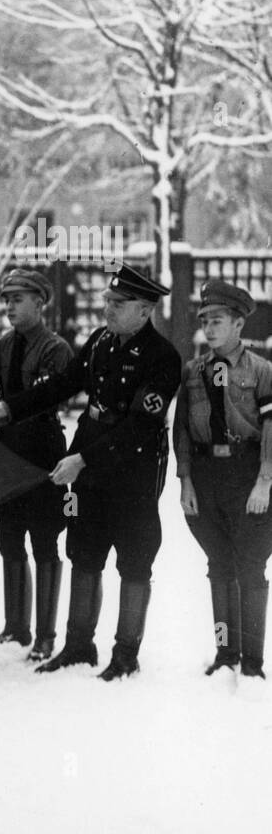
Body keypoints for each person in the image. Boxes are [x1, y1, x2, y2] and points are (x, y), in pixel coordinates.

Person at [0, 264, 182, 680]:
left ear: (144, 311)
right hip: (89, 457)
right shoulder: (101, 341)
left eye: (118, 304)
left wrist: (82, 460)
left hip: (133, 470)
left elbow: (139, 426)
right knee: (83, 550)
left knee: (135, 561)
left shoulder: (162, 357)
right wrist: (8, 408)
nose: (108, 310)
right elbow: (62, 384)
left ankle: (125, 654)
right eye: (107, 301)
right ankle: (78, 645)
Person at [175, 280, 272, 679]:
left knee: (250, 567)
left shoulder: (262, 370)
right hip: (206, 475)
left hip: (248, 474)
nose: (208, 328)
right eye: (204, 321)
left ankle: (252, 661)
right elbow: (182, 429)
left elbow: (270, 429)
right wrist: (185, 481)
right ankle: (225, 651)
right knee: (218, 565)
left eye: (217, 321)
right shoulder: (193, 371)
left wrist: (265, 481)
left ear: (238, 325)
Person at [0, 269, 74, 661]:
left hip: (41, 449)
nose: (10, 307)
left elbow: (46, 398)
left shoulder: (55, 349)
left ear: (40, 304)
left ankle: (45, 635)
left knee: (44, 540)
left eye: (18, 300)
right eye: (7, 300)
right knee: (8, 537)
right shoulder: (3, 345)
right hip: (7, 451)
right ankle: (16, 626)